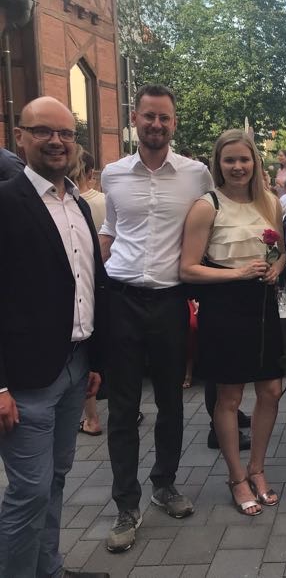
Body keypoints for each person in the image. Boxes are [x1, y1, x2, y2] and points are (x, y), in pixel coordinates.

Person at [99, 84, 213, 553]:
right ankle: (126, 504)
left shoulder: (196, 175)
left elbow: (211, 225)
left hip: (169, 301)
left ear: (174, 123)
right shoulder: (112, 174)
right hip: (121, 300)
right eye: (149, 116)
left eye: (165, 118)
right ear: (135, 118)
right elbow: (111, 228)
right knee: (122, 407)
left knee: (171, 401)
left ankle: (164, 484)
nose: (156, 125)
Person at [0, 97, 108, 578]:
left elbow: (88, 284)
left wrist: (94, 359)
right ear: (20, 137)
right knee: (29, 492)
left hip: (74, 366)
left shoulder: (79, 204)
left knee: (56, 480)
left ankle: (50, 569)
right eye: (43, 131)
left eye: (66, 133)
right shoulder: (6, 203)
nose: (57, 141)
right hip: (25, 380)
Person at [180, 129, 285, 516]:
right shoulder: (206, 206)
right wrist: (237, 274)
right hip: (224, 306)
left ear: (255, 161)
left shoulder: (270, 202)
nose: (238, 166)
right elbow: (187, 269)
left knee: (271, 390)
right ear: (218, 164)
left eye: (244, 159)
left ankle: (257, 468)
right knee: (230, 397)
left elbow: (281, 252)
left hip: (263, 304)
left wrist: (276, 267)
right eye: (230, 160)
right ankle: (236, 476)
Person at [69, 147, 108, 438]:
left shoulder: (78, 204)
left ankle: (92, 417)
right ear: (90, 173)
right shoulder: (102, 201)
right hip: (105, 284)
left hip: (81, 288)